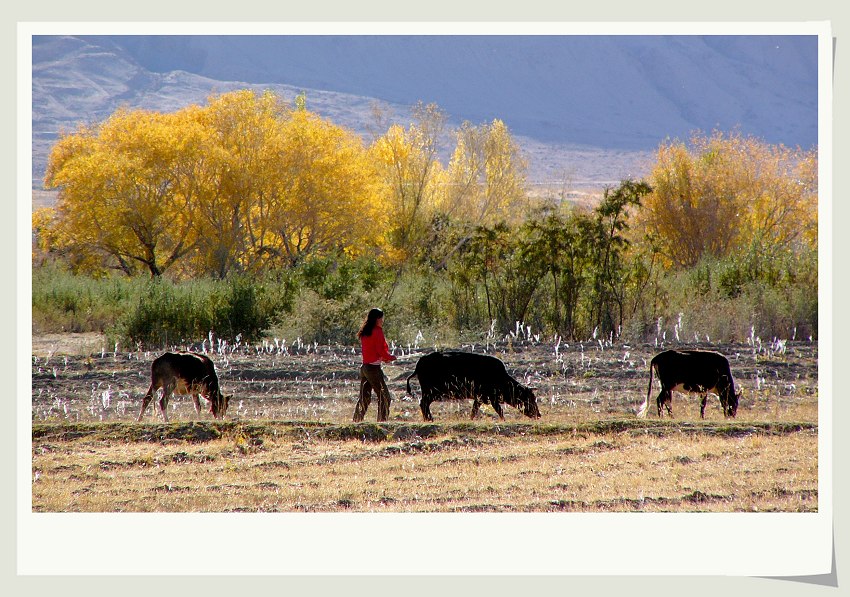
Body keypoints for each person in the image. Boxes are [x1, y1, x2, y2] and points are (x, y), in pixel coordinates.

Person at [353, 308, 397, 422]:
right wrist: (390, 357)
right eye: (382, 318)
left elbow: (372, 351)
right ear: (378, 319)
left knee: (364, 398)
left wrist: (383, 358)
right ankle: (382, 423)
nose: (383, 320)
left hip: (365, 368)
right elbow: (380, 350)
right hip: (373, 369)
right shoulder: (377, 331)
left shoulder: (365, 331)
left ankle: (356, 421)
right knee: (385, 398)